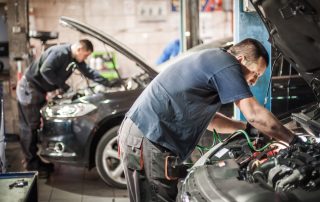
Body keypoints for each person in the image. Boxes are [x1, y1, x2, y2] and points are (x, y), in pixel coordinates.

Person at [118, 38, 297, 202]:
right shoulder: (226, 65)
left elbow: (212, 121)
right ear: (241, 59)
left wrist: (245, 129)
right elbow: (254, 114)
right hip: (147, 139)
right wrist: (293, 141)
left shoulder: (214, 60)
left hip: (142, 136)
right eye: (255, 73)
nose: (254, 81)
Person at [17, 39, 112, 177]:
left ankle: (32, 160)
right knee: (30, 126)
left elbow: (89, 72)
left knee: (34, 125)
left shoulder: (74, 59)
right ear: (79, 49)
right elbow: (45, 70)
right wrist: (63, 86)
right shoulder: (60, 52)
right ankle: (31, 164)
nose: (85, 58)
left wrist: (108, 83)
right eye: (85, 55)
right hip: (29, 88)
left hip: (38, 89)